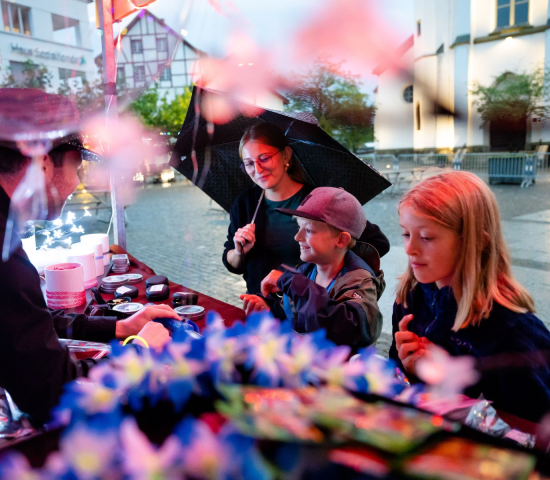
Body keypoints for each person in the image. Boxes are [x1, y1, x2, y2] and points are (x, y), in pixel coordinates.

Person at [0, 89, 178, 424]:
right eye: (77, 167)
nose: (77, 183)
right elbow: (50, 391)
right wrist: (140, 352)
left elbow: (19, 317)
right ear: (43, 160)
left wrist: (120, 326)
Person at [389, 170, 550, 422]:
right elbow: (402, 379)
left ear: (475, 242)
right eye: (406, 234)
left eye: (426, 237)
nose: (409, 249)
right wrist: (410, 367)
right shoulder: (411, 299)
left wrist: (453, 382)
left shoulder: (512, 330)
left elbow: (533, 423)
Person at [222, 122, 390, 297]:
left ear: (286, 155)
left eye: (264, 158)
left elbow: (377, 244)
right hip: (258, 310)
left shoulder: (319, 200)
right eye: (249, 163)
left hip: (306, 313)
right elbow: (232, 262)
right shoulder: (245, 203)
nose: (257, 169)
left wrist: (326, 275)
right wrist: (239, 252)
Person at [253, 187, 384, 348]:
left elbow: (346, 330)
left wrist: (296, 285)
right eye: (298, 228)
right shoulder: (306, 271)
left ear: (341, 240)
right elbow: (295, 318)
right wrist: (269, 308)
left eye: (308, 230)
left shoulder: (359, 282)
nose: (297, 237)